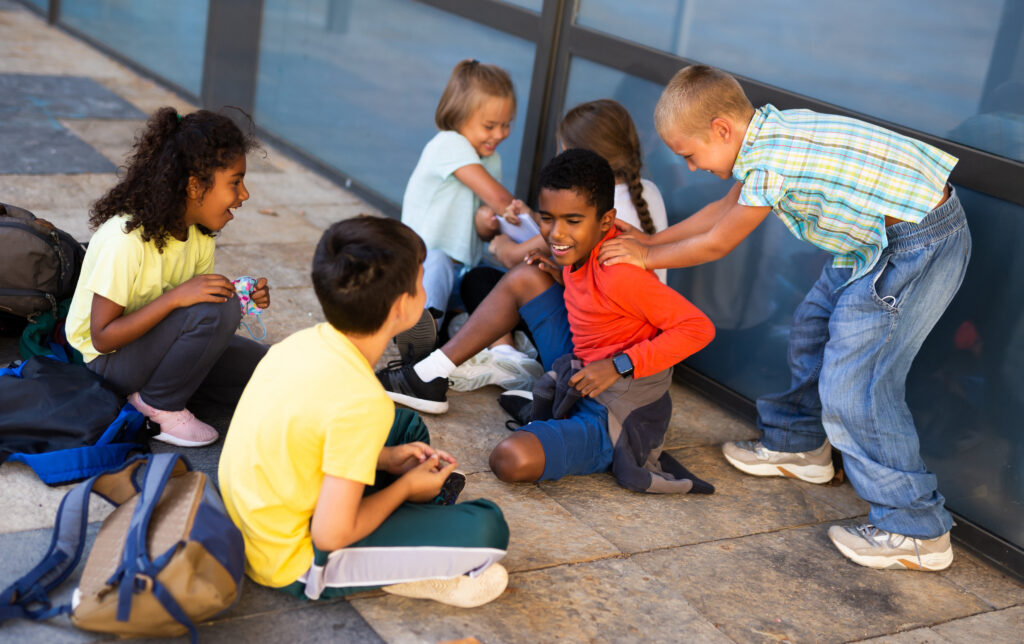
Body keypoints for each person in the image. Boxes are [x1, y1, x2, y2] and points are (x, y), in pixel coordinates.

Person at [599, 65, 971, 570]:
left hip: (916, 248)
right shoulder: (767, 133)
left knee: (857, 387)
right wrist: (650, 241)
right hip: (874, 243)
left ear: (721, 130)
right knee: (813, 327)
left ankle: (916, 529)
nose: (689, 168)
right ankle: (800, 447)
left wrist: (645, 259)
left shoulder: (770, 160)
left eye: (689, 155)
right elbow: (720, 212)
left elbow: (719, 240)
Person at [218, 216, 509, 607]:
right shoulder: (362, 399)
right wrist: (405, 486)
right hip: (290, 558)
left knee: (404, 424)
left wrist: (387, 459)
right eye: (422, 280)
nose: (426, 288)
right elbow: (329, 536)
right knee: (488, 528)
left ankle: (401, 520)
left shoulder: (301, 343)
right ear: (402, 307)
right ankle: (400, 559)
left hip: (252, 516)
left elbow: (314, 432)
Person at [388, 99, 675, 401]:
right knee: (497, 282)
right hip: (628, 351)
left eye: (564, 152)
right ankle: (498, 350)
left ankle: (481, 360)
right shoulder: (647, 191)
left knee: (507, 278)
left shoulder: (595, 209)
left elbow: (514, 256)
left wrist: (502, 242)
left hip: (597, 356)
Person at [484, 149, 714, 491]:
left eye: (572, 221)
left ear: (606, 221)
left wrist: (619, 365)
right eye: (547, 218)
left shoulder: (620, 271)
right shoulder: (577, 253)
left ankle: (579, 434)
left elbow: (699, 329)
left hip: (617, 409)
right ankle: (432, 370)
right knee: (525, 276)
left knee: (510, 458)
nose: (556, 233)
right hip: (583, 376)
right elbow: (603, 304)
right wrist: (563, 278)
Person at [64, 107, 270, 447]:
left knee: (267, 368)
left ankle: (169, 386)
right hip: (108, 365)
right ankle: (158, 405)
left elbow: (194, 311)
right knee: (218, 310)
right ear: (194, 186)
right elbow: (102, 338)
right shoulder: (125, 241)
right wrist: (178, 297)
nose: (244, 194)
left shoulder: (198, 236)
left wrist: (243, 295)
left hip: (155, 349)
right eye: (235, 182)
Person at [397, 58, 523, 362]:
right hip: (421, 269)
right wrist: (538, 224)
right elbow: (499, 198)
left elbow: (483, 220)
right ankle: (418, 338)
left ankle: (454, 330)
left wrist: (486, 222)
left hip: (461, 271)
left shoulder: (489, 158)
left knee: (488, 278)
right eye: (490, 126)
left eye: (506, 125)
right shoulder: (449, 144)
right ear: (458, 116)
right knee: (438, 262)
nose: (500, 134)